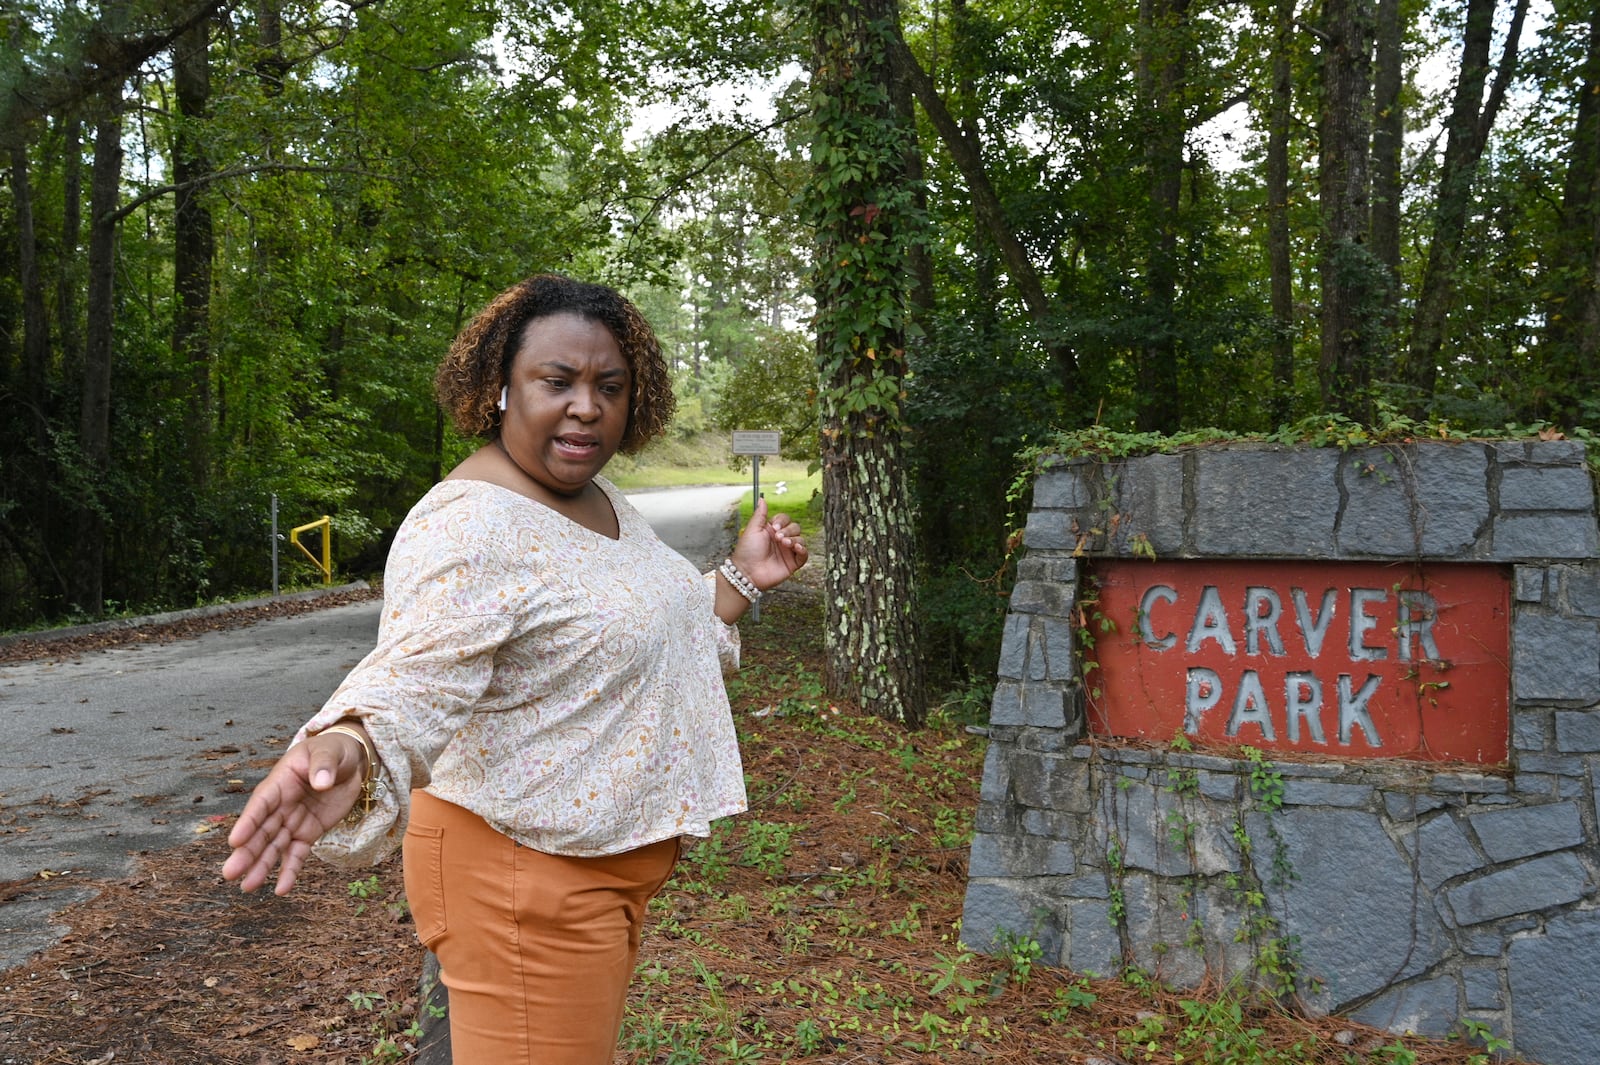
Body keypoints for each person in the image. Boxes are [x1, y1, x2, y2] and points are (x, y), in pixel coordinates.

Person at [222, 274, 808, 1063]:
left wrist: (739, 579)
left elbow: (636, 635)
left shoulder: (595, 500)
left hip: (589, 876)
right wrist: (353, 741)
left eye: (610, 386)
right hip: (523, 882)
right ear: (500, 387)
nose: (587, 406)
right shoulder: (473, 522)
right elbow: (416, 672)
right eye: (556, 381)